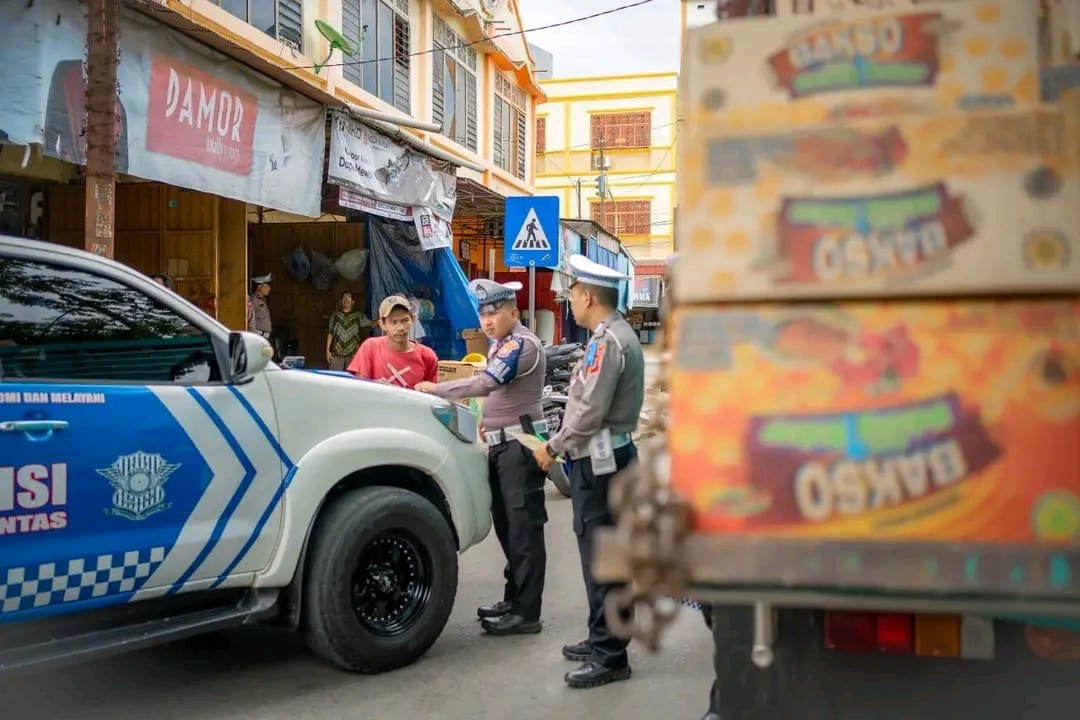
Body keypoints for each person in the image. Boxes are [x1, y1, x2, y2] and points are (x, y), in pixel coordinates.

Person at [532, 254, 644, 689]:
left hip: (601, 464)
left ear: (589, 296)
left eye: (573, 294)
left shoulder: (606, 343)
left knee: (602, 560)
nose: (569, 302)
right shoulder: (615, 336)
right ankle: (606, 636)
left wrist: (553, 447)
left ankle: (610, 655)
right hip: (611, 460)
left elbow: (590, 411)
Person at [415, 279, 549, 636]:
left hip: (521, 446)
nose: (488, 321)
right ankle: (514, 599)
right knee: (507, 527)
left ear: (513, 313)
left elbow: (484, 384)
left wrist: (437, 388)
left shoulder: (522, 345)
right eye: (484, 314)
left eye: (494, 313)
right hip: (502, 446)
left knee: (524, 531)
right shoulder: (501, 345)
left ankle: (527, 613)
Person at [347, 294, 438, 389]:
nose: (400, 328)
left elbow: (431, 396)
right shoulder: (370, 347)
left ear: (413, 320)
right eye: (393, 322)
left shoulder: (427, 356)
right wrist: (374, 386)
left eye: (405, 320)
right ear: (382, 324)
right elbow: (358, 387)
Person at [325, 291, 369, 371]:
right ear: (340, 301)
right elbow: (330, 333)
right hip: (336, 354)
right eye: (344, 297)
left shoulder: (358, 316)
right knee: (335, 378)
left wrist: (381, 319)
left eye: (349, 297)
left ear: (353, 302)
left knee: (351, 379)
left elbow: (370, 324)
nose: (346, 299)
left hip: (352, 354)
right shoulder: (335, 315)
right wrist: (327, 351)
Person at [247, 273, 273, 341]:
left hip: (264, 337)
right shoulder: (254, 299)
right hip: (258, 337)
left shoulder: (262, 299)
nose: (269, 288)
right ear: (259, 286)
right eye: (267, 286)